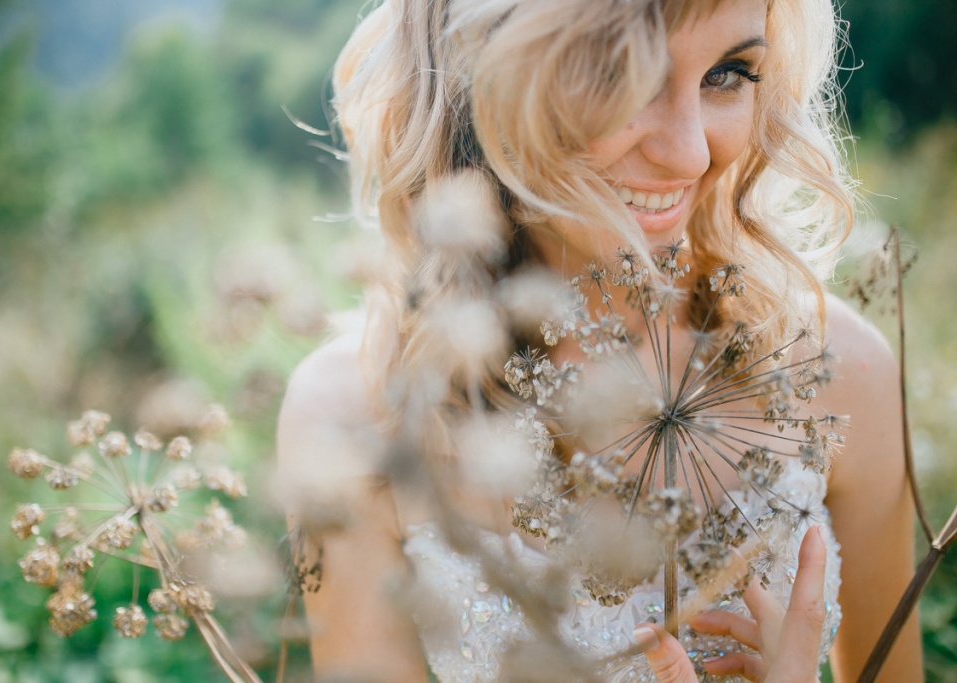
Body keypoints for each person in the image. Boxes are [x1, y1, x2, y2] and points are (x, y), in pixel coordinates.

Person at [276, 0, 923, 680]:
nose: (690, 151)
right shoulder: (353, 421)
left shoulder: (840, 371)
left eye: (728, 73)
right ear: (473, 77)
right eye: (621, 76)